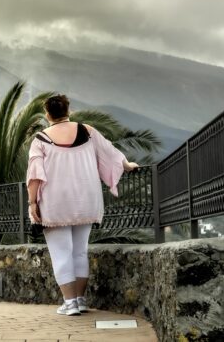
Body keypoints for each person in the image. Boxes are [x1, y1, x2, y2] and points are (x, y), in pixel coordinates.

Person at [26, 94, 139, 316]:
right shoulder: (88, 131)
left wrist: (32, 203)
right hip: (86, 200)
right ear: (69, 110)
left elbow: (35, 175)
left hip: (56, 203)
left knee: (61, 253)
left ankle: (69, 304)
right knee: (79, 252)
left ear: (47, 114)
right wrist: (127, 165)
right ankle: (80, 300)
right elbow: (111, 152)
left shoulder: (40, 139)